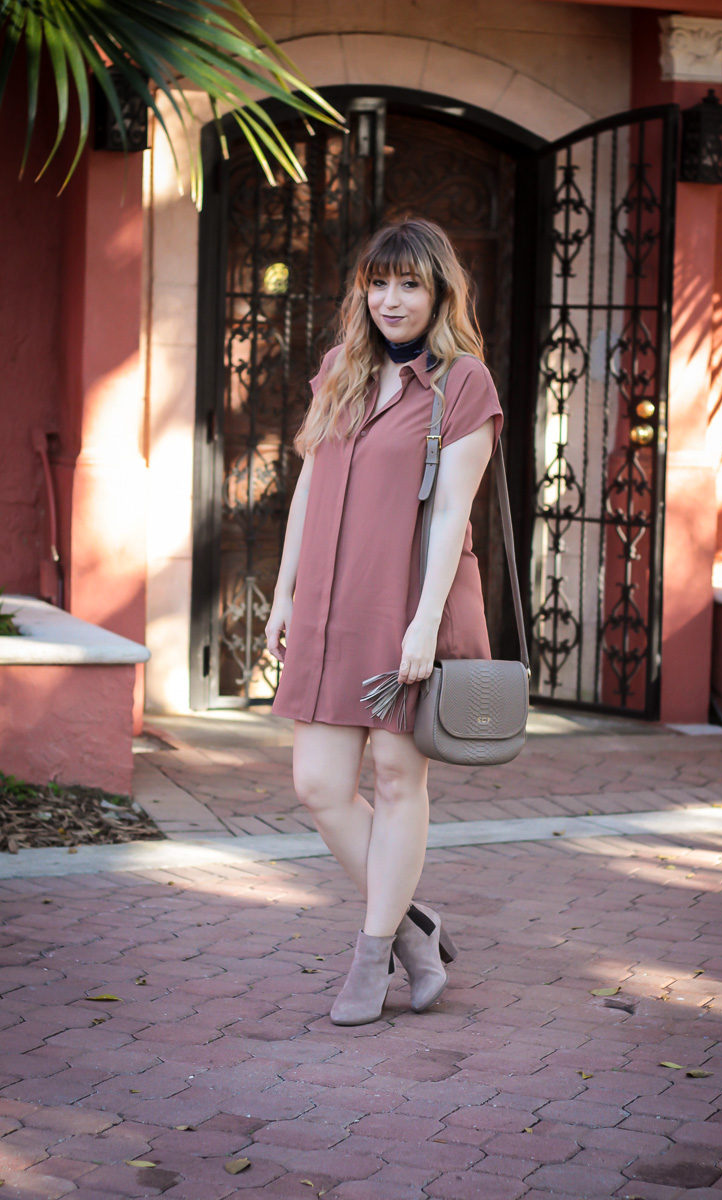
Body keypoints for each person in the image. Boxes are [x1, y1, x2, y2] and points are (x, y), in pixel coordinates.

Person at [265, 217, 503, 1026]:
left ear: (439, 293)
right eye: (379, 282)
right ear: (362, 289)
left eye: (409, 284)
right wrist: (283, 590)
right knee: (319, 785)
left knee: (400, 780)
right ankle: (416, 926)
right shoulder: (340, 369)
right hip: (329, 608)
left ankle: (372, 959)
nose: (391, 299)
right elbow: (309, 485)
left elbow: (450, 520)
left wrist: (423, 625)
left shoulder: (463, 383)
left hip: (405, 609)